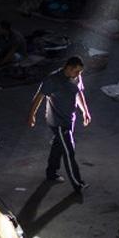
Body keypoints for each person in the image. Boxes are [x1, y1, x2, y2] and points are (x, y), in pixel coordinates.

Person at [27, 56, 90, 193]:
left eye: (80, 72)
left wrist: (85, 111)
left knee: (58, 146)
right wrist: (31, 115)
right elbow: (39, 97)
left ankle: (51, 173)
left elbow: (78, 93)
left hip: (69, 119)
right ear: (68, 68)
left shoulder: (76, 78)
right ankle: (78, 184)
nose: (78, 75)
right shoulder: (53, 80)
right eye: (76, 72)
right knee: (69, 151)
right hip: (58, 122)